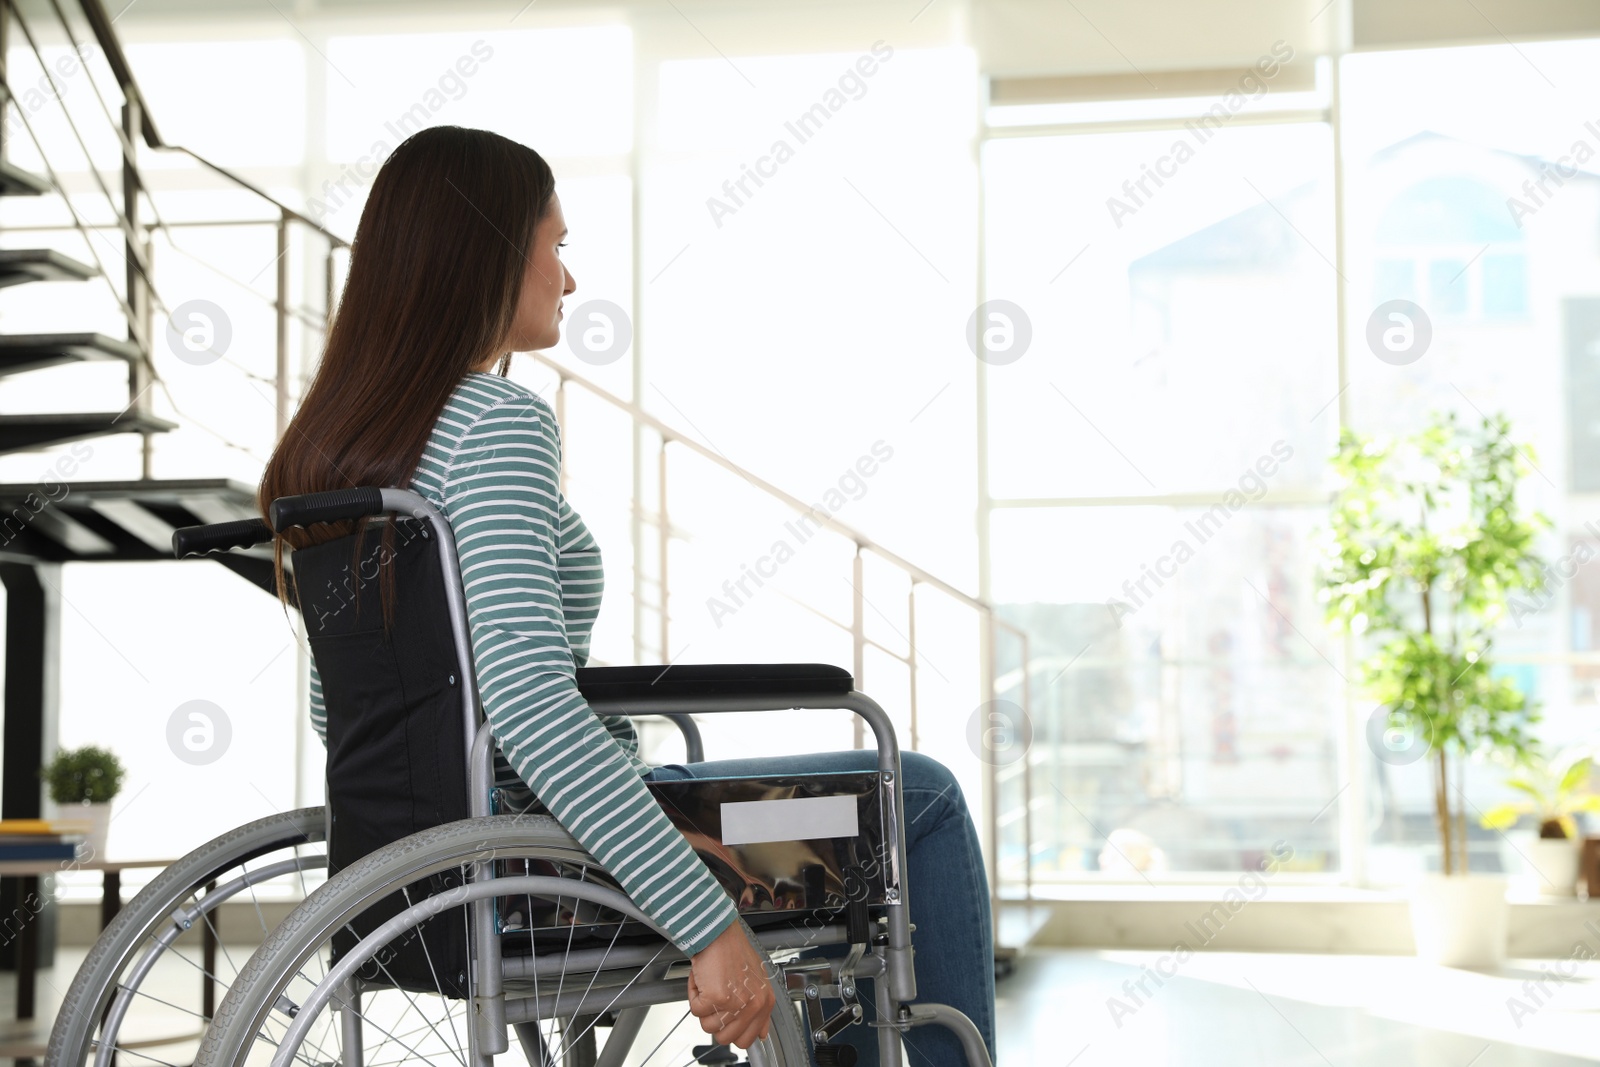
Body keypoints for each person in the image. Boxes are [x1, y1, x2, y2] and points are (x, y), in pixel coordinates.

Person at [257, 124, 995, 1065]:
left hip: (432, 858)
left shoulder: (339, 452)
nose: (567, 279)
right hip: (550, 850)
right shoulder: (495, 426)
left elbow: (342, 712)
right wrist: (708, 924)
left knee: (831, 817)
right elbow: (529, 707)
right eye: (557, 247)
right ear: (486, 257)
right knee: (915, 794)